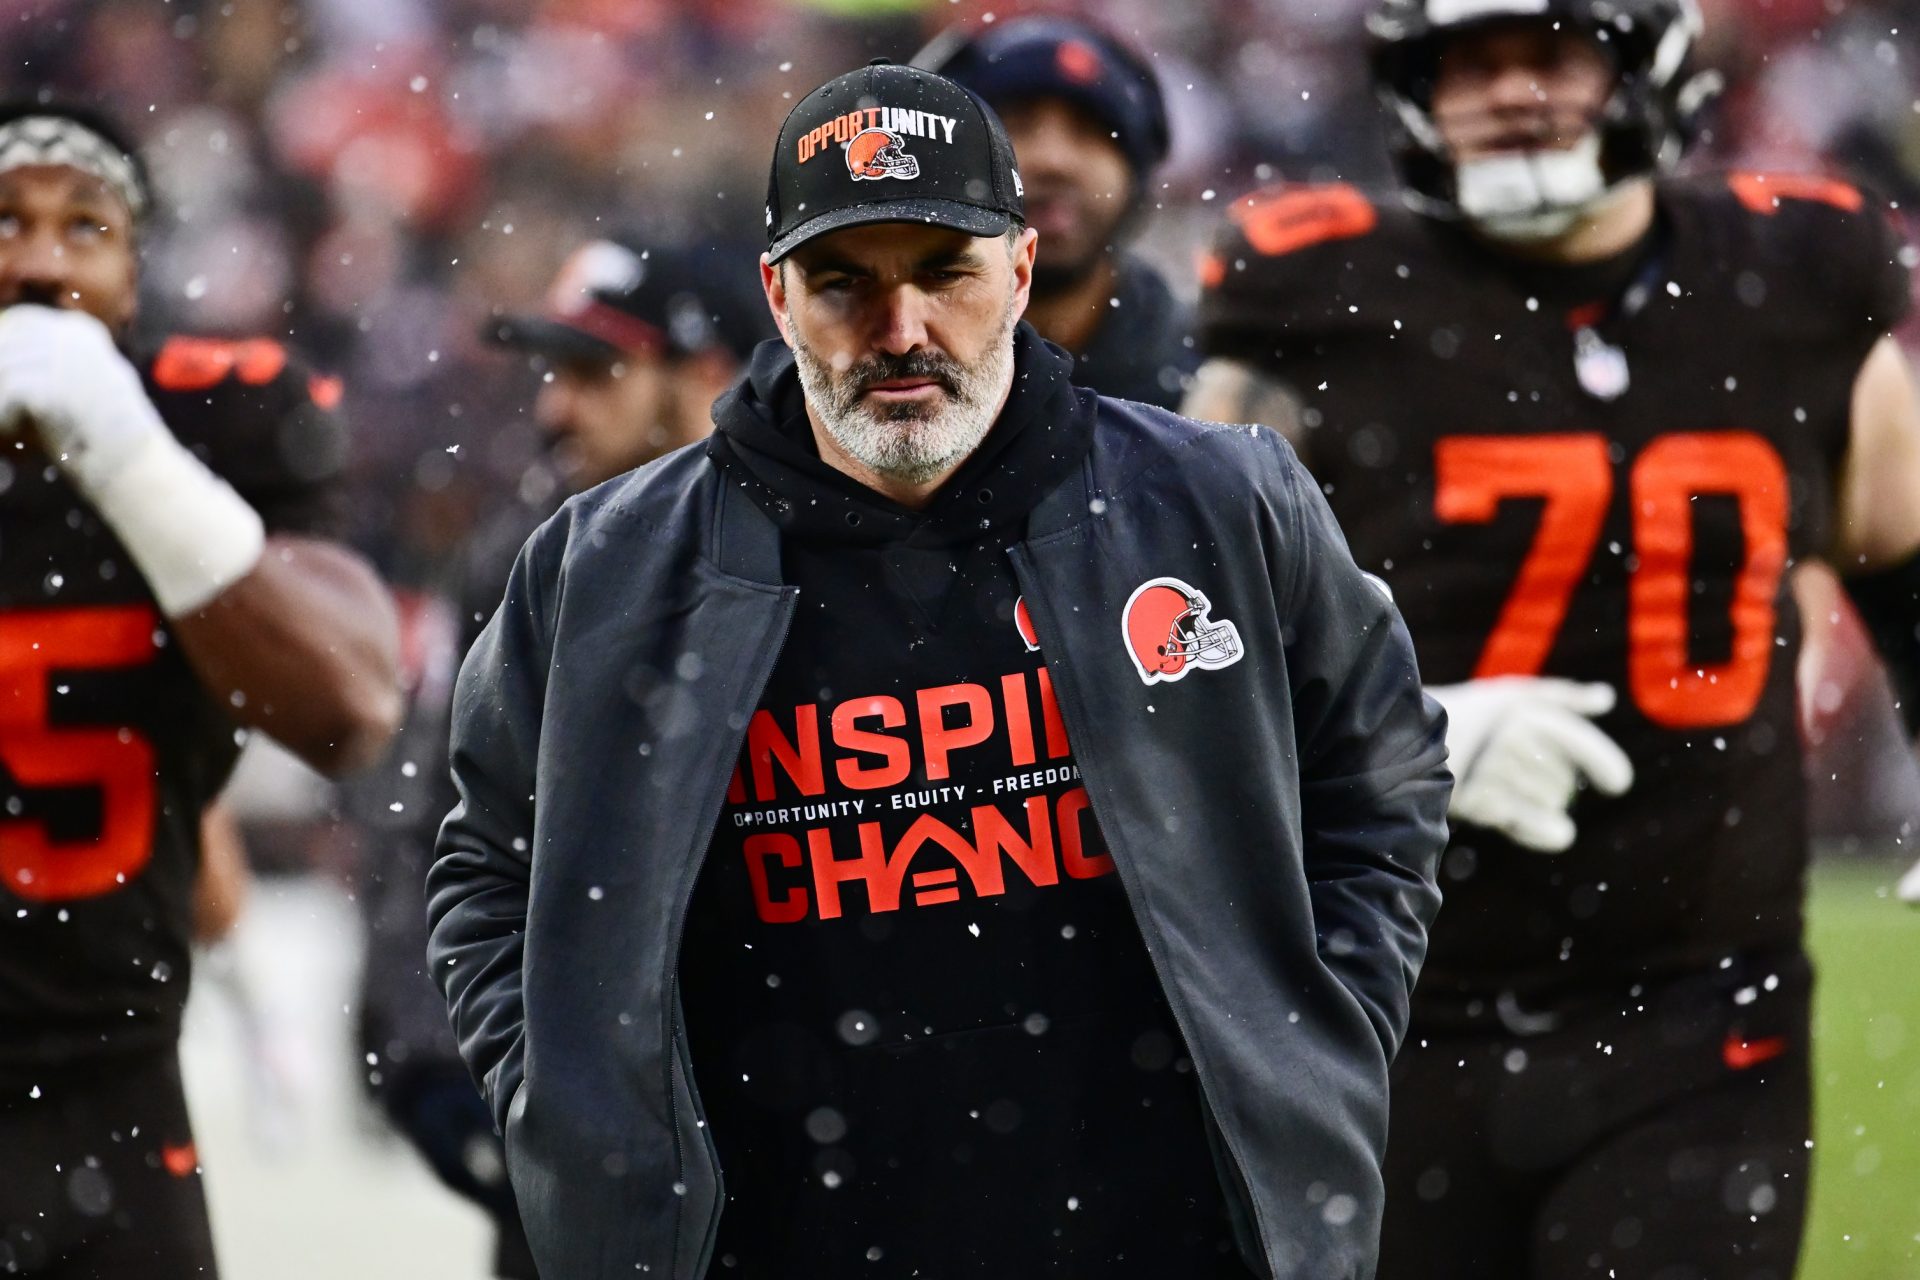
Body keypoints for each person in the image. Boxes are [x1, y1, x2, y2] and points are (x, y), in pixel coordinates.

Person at [429, 60, 1450, 1280]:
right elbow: (488, 862)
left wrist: (1320, 1033)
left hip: (1166, 1237)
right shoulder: (603, 569)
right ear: (778, 294)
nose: (900, 330)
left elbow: (1383, 772)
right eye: (845, 282)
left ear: (1020, 270)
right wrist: (569, 1102)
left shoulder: (1219, 502)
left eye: (944, 272)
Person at [1184, 0, 1920, 1273]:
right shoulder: (1320, 295)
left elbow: (1900, 545)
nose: (1511, 92)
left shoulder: (1789, 278)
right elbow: (1186, 625)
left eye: (1551, 54)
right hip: (1392, 994)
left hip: (1699, 1002)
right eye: (1468, 62)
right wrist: (1417, 736)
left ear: (1648, 62)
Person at [0, 98, 402, 1275]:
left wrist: (124, 453)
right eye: (6, 221)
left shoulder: (208, 423)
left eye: (85, 226)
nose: (38, 257)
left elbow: (349, 710)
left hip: (106, 1080)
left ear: (133, 282)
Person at [352, 234, 764, 1280]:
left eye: (595, 372)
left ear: (706, 372)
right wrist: (432, 1054)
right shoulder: (522, 556)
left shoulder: (808, 546)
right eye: (554, 373)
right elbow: (427, 815)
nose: (554, 409)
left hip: (795, 1110)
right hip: (584, 1128)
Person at [915, 17, 1198, 407]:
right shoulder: (847, 369)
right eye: (1015, 124)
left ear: (1136, 177)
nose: (1054, 161)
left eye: (1091, 131)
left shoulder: (1207, 382)